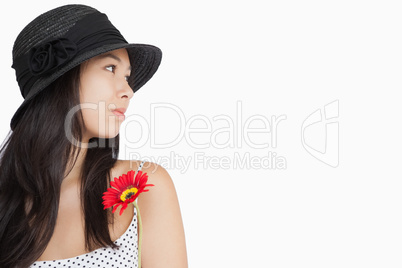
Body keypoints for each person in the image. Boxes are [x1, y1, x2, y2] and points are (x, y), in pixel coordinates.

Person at [0, 4, 188, 268]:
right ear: (62, 79)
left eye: (127, 76)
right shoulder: (7, 206)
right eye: (111, 68)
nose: (128, 91)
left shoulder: (143, 186)